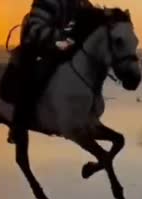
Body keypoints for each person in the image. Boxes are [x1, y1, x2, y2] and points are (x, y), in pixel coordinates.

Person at [8, 0, 92, 144]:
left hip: (65, 48)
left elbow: (91, 20)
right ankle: (18, 126)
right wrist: (65, 37)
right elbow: (36, 29)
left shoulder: (82, 3)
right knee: (33, 77)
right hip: (38, 46)